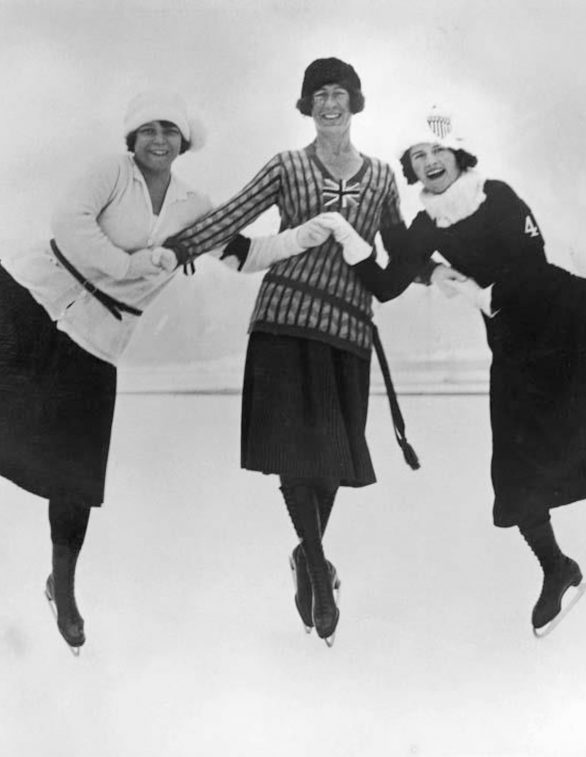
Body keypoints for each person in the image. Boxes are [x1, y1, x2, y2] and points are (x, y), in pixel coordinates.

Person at [0, 90, 330, 655]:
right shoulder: (110, 173)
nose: (158, 140)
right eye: (148, 131)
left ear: (184, 143)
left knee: (76, 474)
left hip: (99, 336)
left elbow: (242, 254)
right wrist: (134, 264)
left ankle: (61, 586)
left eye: (169, 132)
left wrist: (301, 239)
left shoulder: (193, 206)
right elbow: (71, 226)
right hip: (34, 288)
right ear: (131, 139)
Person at [330, 106, 586, 637]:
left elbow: (531, 263)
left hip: (566, 315)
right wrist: (346, 234)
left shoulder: (497, 195)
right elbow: (385, 283)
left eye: (436, 151)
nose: (428, 162)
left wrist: (476, 291)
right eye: (417, 156)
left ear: (458, 153)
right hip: (516, 348)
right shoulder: (426, 224)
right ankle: (557, 569)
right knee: (514, 475)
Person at [163, 58, 433, 647]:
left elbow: (400, 253)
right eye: (318, 95)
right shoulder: (286, 167)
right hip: (283, 321)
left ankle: (306, 553)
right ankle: (315, 566)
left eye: (338, 94)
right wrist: (176, 246)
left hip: (350, 331)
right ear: (306, 106)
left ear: (354, 102)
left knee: (331, 460)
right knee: (294, 453)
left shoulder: (385, 177)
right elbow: (233, 217)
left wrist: (448, 238)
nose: (328, 104)